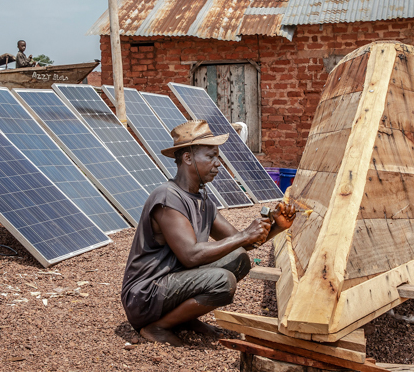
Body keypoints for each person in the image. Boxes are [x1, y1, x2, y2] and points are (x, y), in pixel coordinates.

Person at [121, 120, 296, 346]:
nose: (218, 164)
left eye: (218, 157)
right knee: (223, 281)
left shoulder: (203, 200)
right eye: (211, 157)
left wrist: (277, 227)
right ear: (188, 158)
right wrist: (244, 235)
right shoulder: (167, 197)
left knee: (239, 259)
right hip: (145, 295)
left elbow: (242, 243)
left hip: (170, 285)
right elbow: (191, 256)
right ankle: (158, 327)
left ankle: (183, 320)